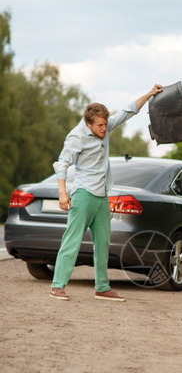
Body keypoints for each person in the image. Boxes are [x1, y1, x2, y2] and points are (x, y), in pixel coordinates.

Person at [49, 84, 163, 301]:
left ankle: (102, 287)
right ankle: (57, 286)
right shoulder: (76, 137)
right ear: (88, 123)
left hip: (102, 196)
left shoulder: (105, 125)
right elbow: (62, 164)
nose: (104, 129)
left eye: (105, 124)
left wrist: (149, 94)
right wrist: (63, 193)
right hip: (83, 195)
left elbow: (128, 111)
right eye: (100, 126)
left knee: (103, 244)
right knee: (71, 241)